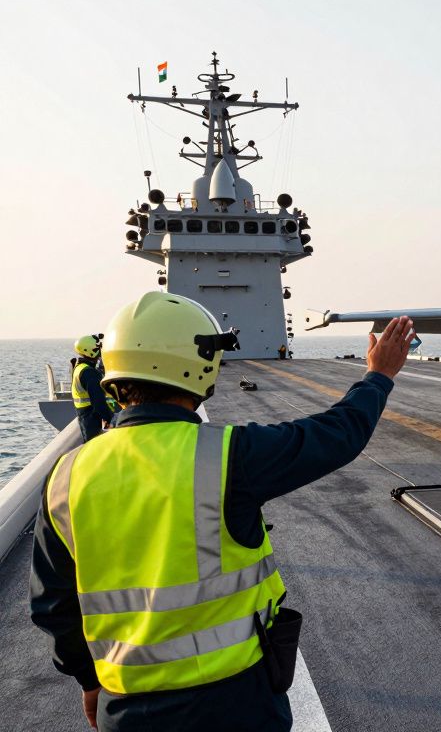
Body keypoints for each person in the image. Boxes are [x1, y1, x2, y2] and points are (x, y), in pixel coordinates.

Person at [30, 291, 415, 732]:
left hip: (127, 711)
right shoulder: (229, 455)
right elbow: (335, 435)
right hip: (236, 706)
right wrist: (378, 376)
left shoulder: (66, 476)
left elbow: (52, 605)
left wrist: (89, 680)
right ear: (200, 362)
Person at [70, 334, 119, 442]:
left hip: (85, 415)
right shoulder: (89, 373)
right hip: (91, 416)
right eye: (97, 348)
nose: (100, 351)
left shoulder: (80, 367)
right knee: (93, 443)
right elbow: (98, 401)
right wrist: (110, 420)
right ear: (90, 351)